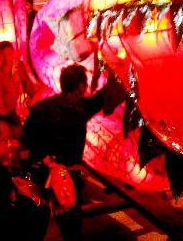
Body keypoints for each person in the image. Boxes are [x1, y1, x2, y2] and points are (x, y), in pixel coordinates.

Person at [21, 64, 124, 240]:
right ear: (81, 86)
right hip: (66, 178)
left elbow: (26, 140)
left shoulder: (41, 107)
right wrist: (119, 67)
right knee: (71, 228)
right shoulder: (81, 108)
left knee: (37, 225)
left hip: (40, 174)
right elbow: (105, 95)